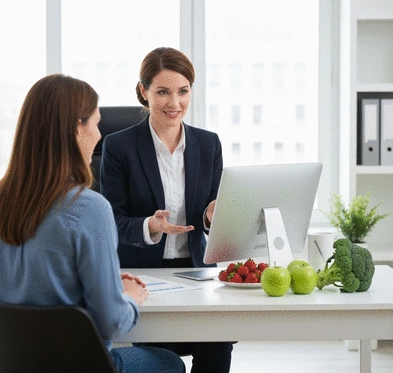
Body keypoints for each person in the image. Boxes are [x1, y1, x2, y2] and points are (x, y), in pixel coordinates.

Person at [0, 74, 185, 373]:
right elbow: (111, 322)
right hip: (81, 364)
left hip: (13, 364)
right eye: (96, 124)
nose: (99, 135)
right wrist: (128, 297)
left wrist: (104, 278)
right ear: (77, 128)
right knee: (169, 363)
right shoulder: (89, 208)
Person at [100, 47, 233, 373]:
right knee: (161, 358)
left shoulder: (209, 144)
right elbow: (110, 222)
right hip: (145, 277)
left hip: (198, 275)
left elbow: (210, 214)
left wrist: (210, 216)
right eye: (162, 92)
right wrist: (150, 225)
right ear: (144, 92)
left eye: (183, 91)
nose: (175, 103)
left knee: (218, 341)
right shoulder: (119, 147)